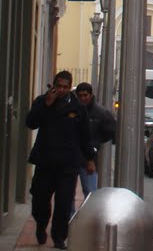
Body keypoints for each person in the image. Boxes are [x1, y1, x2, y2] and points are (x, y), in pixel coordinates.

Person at [26, 71, 96, 250]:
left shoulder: (77, 107)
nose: (62, 90)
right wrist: (46, 105)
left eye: (65, 87)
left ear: (69, 87)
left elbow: (85, 136)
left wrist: (89, 159)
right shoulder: (42, 101)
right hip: (45, 161)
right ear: (54, 85)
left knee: (64, 203)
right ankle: (41, 225)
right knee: (40, 200)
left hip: (68, 164)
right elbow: (31, 122)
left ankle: (59, 237)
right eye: (59, 86)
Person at [73, 82, 116, 200]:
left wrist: (96, 143)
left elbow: (111, 131)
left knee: (90, 193)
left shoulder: (101, 112)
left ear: (91, 95)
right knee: (67, 193)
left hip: (89, 158)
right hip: (72, 157)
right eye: (80, 96)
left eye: (85, 95)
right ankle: (70, 217)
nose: (83, 98)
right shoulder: (72, 110)